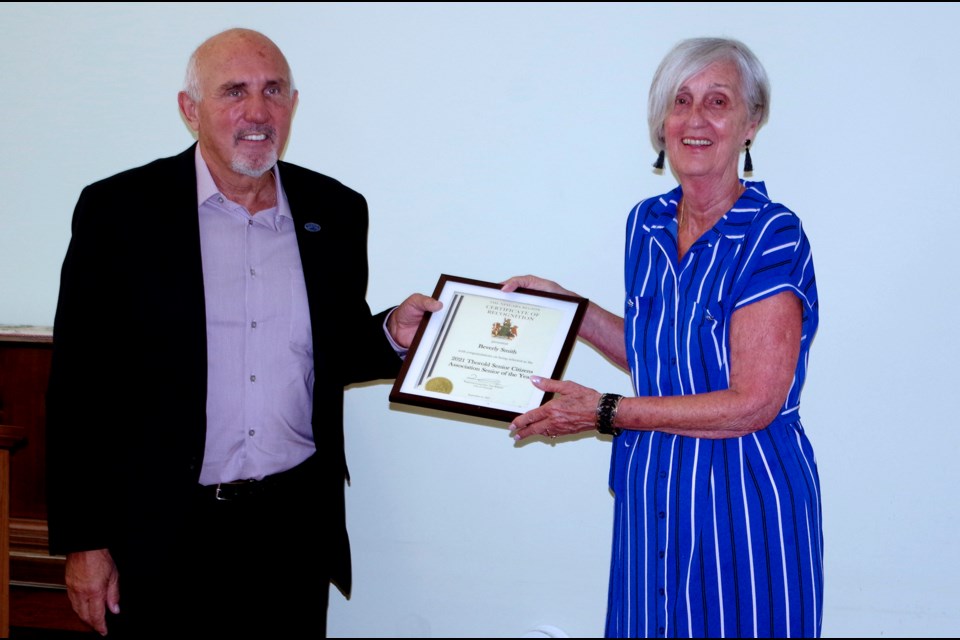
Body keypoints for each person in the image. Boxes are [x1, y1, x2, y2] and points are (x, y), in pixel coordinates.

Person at [45, 27, 440, 637]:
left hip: (291, 530)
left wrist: (390, 332)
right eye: (234, 91)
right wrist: (85, 543)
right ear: (190, 109)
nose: (257, 112)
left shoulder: (335, 211)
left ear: (293, 104)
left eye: (273, 91)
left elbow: (326, 349)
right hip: (159, 532)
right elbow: (78, 385)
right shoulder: (119, 211)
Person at [503, 37, 823, 638]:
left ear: (751, 123)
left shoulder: (772, 236)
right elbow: (661, 354)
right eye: (681, 100)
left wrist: (603, 411)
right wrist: (569, 308)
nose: (695, 119)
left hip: (741, 504)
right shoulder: (645, 223)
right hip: (651, 494)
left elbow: (753, 401)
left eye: (718, 101)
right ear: (661, 121)